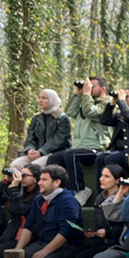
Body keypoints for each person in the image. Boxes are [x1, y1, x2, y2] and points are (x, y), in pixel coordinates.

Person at [47, 76, 113, 206]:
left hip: (97, 147)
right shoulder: (85, 100)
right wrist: (79, 94)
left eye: (93, 86)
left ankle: (80, 189)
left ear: (103, 88)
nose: (89, 88)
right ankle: (59, 191)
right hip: (80, 147)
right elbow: (70, 111)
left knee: (70, 154)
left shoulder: (108, 103)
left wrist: (86, 94)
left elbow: (91, 112)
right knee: (54, 159)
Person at [13, 165, 83, 258]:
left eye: (44, 180)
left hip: (66, 245)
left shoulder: (68, 201)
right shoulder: (39, 199)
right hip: (42, 242)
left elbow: (66, 232)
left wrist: (44, 251)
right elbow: (28, 226)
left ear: (57, 182)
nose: (39, 183)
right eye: (40, 179)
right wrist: (18, 250)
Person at [60, 165, 126, 258]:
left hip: (115, 243)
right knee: (68, 256)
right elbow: (99, 223)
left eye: (106, 176)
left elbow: (126, 229)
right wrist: (93, 231)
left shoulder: (125, 199)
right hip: (100, 242)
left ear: (117, 180)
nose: (101, 179)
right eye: (101, 175)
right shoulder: (100, 197)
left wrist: (106, 232)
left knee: (82, 257)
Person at [0, 165, 40, 258]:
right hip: (10, 235)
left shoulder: (39, 197)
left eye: (24, 175)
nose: (21, 177)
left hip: (27, 238)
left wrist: (14, 187)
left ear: (35, 179)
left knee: (1, 251)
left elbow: (18, 209)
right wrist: (5, 182)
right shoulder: (19, 191)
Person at [11, 89, 71, 170]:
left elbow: (58, 141)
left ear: (52, 100)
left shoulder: (62, 118)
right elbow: (30, 138)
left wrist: (41, 151)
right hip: (37, 152)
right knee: (15, 165)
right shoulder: (36, 118)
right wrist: (30, 149)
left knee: (33, 167)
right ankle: (17, 182)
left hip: (54, 153)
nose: (40, 100)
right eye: (39, 98)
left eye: (44, 98)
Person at [96, 87, 129, 181]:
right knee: (100, 158)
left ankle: (119, 184)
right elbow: (104, 120)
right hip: (118, 150)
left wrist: (121, 101)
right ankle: (103, 192)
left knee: (110, 159)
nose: (124, 99)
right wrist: (112, 103)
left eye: (127, 96)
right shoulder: (121, 115)